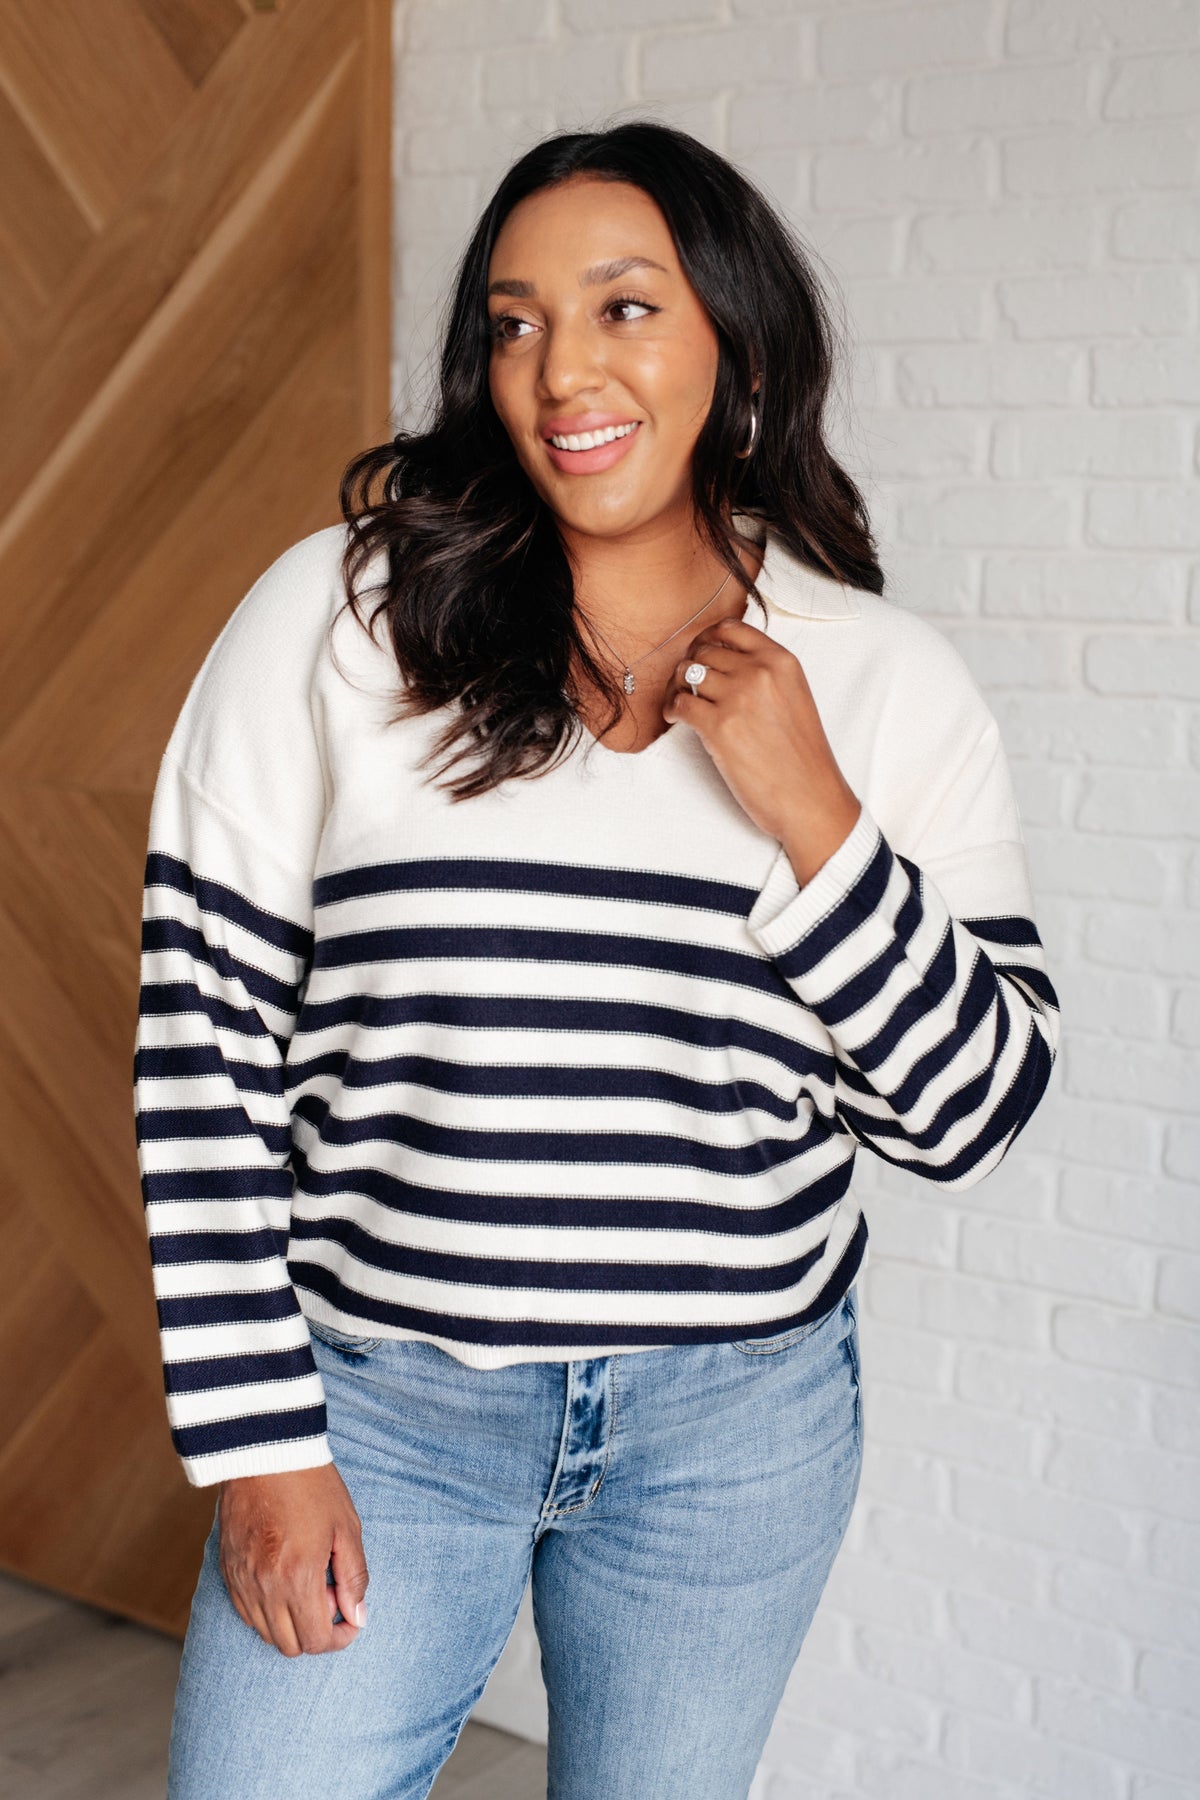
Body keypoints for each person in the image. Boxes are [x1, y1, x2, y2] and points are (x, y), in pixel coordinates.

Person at [132, 120, 1061, 1799]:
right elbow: (204, 1043)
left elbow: (969, 1120)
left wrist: (817, 819)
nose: (562, 369)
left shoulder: (883, 682)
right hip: (385, 1409)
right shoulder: (343, 620)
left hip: (737, 1432)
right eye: (516, 322)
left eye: (624, 307)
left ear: (737, 344)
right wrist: (259, 1446)